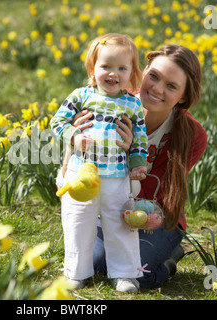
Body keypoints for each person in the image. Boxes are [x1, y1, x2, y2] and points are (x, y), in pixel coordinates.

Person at [69, 44, 207, 289]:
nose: (156, 88)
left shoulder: (192, 135)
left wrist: (130, 152)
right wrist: (75, 136)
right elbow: (75, 152)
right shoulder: (109, 102)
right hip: (109, 209)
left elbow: (159, 193)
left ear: (184, 96)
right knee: (96, 262)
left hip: (157, 216)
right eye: (153, 76)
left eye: (171, 86)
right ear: (143, 71)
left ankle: (170, 255)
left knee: (140, 274)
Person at [50, 33, 148, 293]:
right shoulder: (81, 95)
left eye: (121, 68)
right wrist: (74, 135)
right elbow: (57, 122)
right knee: (77, 220)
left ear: (131, 74)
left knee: (119, 223)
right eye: (106, 66)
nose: (112, 73)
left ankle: (125, 274)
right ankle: (75, 272)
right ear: (92, 68)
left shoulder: (132, 104)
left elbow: (139, 138)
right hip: (80, 174)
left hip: (116, 176)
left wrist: (138, 163)